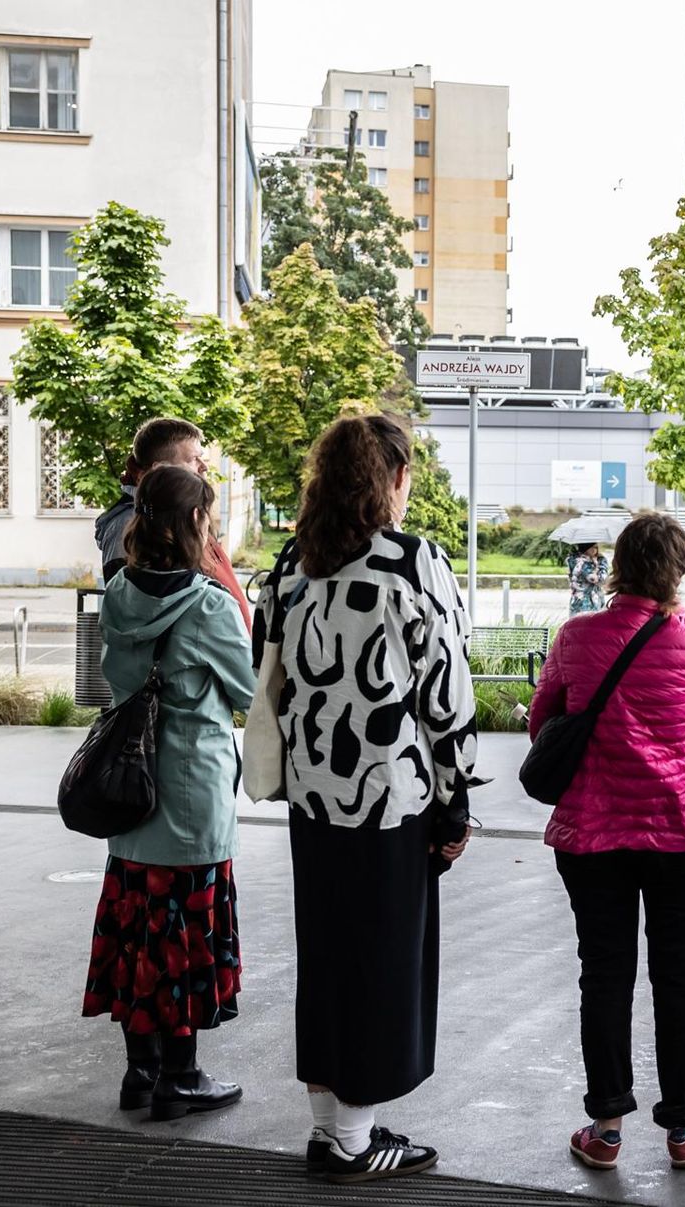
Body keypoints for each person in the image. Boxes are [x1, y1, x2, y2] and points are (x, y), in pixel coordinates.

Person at [257, 414, 477, 1183]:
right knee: (382, 960)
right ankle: (353, 1143)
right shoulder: (413, 561)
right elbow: (446, 689)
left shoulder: (294, 561)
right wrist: (456, 799)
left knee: (327, 954)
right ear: (393, 481)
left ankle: (332, 1127)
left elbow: (269, 665)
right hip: (388, 796)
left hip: (313, 796)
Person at [534, 514, 685, 1174]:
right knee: (678, 978)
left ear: (618, 563)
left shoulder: (577, 635)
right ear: (676, 570)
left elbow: (542, 719)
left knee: (605, 973)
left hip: (595, 830)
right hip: (682, 828)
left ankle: (607, 1127)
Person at [83, 466, 257, 1121]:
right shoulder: (209, 603)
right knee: (182, 934)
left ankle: (140, 1070)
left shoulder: (121, 593)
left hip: (133, 789)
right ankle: (180, 1077)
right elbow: (248, 692)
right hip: (190, 793)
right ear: (193, 525)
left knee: (139, 932)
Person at [96, 417, 250, 631]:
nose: (204, 467)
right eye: (193, 459)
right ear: (158, 470)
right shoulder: (130, 522)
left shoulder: (188, 516)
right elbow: (136, 615)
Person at [568, 541, 608, 616]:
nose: (594, 550)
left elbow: (603, 578)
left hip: (597, 599)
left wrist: (597, 564)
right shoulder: (576, 560)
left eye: (596, 547)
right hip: (580, 600)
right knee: (579, 624)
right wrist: (595, 567)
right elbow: (592, 578)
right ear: (584, 547)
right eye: (591, 547)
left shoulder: (601, 560)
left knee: (596, 624)